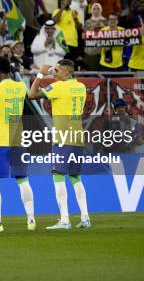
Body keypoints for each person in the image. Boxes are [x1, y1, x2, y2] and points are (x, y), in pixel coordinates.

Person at [29, 59, 91, 229]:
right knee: (76, 177)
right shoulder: (80, 87)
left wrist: (41, 74)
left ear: (67, 72)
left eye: (57, 70)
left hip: (63, 138)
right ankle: (85, 217)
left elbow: (32, 95)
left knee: (58, 176)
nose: (54, 73)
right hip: (78, 137)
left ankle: (64, 219)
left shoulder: (58, 87)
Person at [0, 57, 35, 232]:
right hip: (18, 140)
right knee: (23, 180)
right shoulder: (20, 87)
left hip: (0, 141)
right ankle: (31, 220)